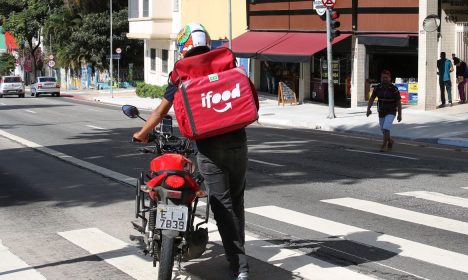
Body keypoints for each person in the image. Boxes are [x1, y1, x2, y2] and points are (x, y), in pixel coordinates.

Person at [132, 23, 250, 280]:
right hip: (238, 140)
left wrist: (141, 134)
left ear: (184, 46)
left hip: (208, 145)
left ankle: (240, 268)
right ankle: (238, 261)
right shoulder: (226, 61)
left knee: (222, 206)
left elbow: (161, 111)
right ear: (206, 42)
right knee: (236, 202)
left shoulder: (182, 71)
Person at [366, 70, 402, 152]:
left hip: (391, 111)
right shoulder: (377, 88)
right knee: (383, 130)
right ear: (381, 78)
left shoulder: (394, 89)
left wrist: (399, 114)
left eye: (386, 78)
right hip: (381, 111)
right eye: (383, 78)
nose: (384, 79)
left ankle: (384, 145)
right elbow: (371, 99)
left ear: (390, 78)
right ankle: (390, 141)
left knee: (386, 128)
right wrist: (368, 109)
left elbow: (398, 102)